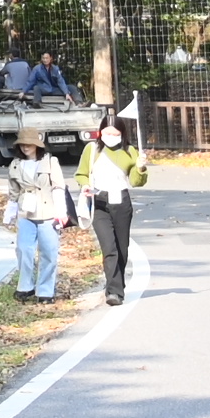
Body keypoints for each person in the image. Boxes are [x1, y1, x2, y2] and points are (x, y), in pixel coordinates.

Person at [81, 104, 146, 306]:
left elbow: (136, 181)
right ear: (100, 133)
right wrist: (84, 186)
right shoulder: (92, 150)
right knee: (109, 247)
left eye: (115, 133)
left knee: (122, 247)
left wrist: (141, 168)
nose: (111, 136)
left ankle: (117, 285)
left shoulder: (130, 151)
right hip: (99, 201)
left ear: (122, 133)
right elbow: (81, 173)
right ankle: (114, 292)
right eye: (107, 133)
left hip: (122, 201)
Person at [4, 136, 73, 300]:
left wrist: (61, 211)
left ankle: (45, 291)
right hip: (25, 212)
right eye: (22, 145)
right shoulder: (15, 164)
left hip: (48, 212)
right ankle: (25, 286)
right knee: (23, 249)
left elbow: (58, 187)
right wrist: (9, 214)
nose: (25, 147)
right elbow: (13, 191)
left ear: (37, 145)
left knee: (49, 252)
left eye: (29, 144)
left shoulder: (50, 161)